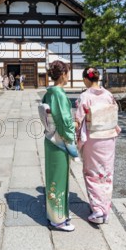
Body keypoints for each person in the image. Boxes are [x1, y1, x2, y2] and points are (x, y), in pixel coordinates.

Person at [74, 67, 121, 224]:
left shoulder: (85, 96)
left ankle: (98, 211)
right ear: (98, 78)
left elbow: (77, 120)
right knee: (106, 173)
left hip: (94, 139)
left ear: (86, 79)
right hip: (109, 138)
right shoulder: (108, 95)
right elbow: (114, 114)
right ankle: (105, 209)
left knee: (93, 173)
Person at [42, 60, 77, 232]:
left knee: (54, 176)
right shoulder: (59, 94)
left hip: (50, 139)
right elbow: (64, 121)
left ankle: (56, 213)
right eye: (68, 73)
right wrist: (72, 137)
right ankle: (58, 219)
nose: (68, 76)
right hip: (59, 141)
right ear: (63, 74)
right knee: (59, 177)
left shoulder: (49, 92)